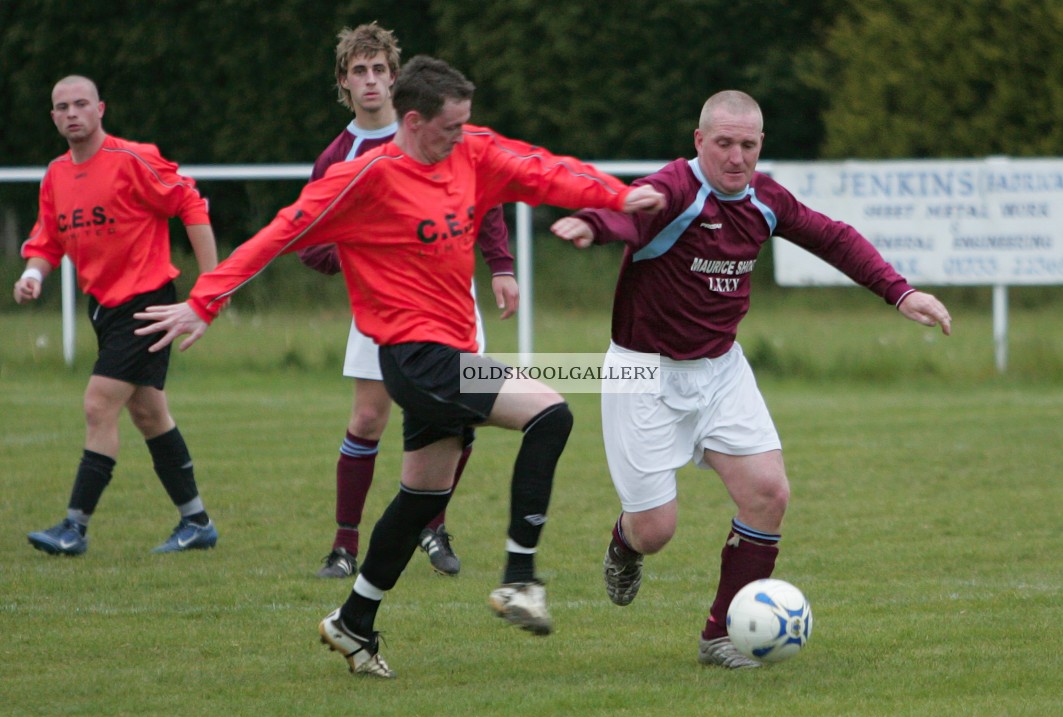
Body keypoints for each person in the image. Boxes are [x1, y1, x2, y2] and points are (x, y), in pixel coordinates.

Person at [134, 55, 666, 677]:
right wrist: (206, 300)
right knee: (551, 414)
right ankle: (520, 579)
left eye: (467, 124)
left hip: (451, 353)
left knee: (422, 497)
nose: (462, 136)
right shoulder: (366, 178)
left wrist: (618, 195)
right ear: (413, 122)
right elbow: (283, 231)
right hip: (414, 358)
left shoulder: (472, 152)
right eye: (450, 127)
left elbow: (543, 170)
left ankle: (354, 622)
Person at [550, 90, 952, 669]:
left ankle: (720, 636)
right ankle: (625, 541)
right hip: (644, 373)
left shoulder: (766, 199)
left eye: (747, 145)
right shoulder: (675, 190)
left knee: (769, 493)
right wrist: (594, 224)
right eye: (723, 144)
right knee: (656, 529)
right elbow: (631, 212)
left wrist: (901, 291)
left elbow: (831, 236)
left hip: (720, 370)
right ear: (699, 142)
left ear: (760, 145)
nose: (736, 157)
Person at [300, 22, 519, 580]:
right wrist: (355, 253)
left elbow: (484, 198)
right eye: (359, 71)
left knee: (458, 413)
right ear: (343, 84)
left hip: (451, 303)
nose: (371, 81)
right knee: (368, 418)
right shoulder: (338, 156)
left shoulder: (435, 135)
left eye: (380, 70)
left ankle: (432, 524)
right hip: (384, 310)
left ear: (396, 80)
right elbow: (310, 241)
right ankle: (344, 544)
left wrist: (502, 268)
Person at [13, 75, 219, 556]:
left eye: (81, 103)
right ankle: (197, 523)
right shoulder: (56, 175)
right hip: (104, 308)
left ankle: (74, 527)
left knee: (97, 403)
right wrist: (34, 275)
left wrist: (212, 285)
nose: (72, 113)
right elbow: (48, 239)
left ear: (100, 108)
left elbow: (189, 201)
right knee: (148, 413)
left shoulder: (133, 158)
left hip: (146, 303)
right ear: (53, 117)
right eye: (62, 106)